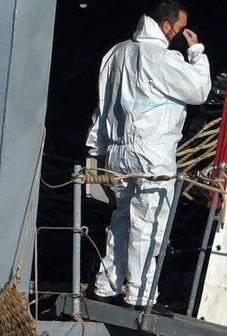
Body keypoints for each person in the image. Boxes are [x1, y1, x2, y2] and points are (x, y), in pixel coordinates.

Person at [84, 0, 210, 312]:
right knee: (149, 225)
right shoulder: (161, 58)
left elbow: (103, 106)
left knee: (122, 220)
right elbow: (199, 90)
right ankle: (139, 296)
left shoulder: (115, 54)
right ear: (167, 27)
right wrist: (196, 53)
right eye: (180, 30)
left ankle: (105, 286)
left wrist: (96, 150)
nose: (180, 35)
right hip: (152, 155)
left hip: (117, 154)